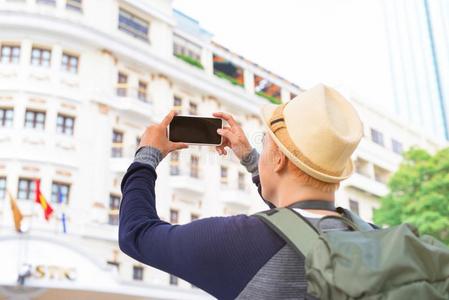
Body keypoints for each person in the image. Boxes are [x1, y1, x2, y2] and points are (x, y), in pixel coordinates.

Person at [118, 84, 364, 299]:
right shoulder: (372, 239)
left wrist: (147, 155)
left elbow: (136, 233)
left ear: (278, 159)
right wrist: (250, 158)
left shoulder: (238, 241)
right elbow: (296, 223)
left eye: (263, 142)